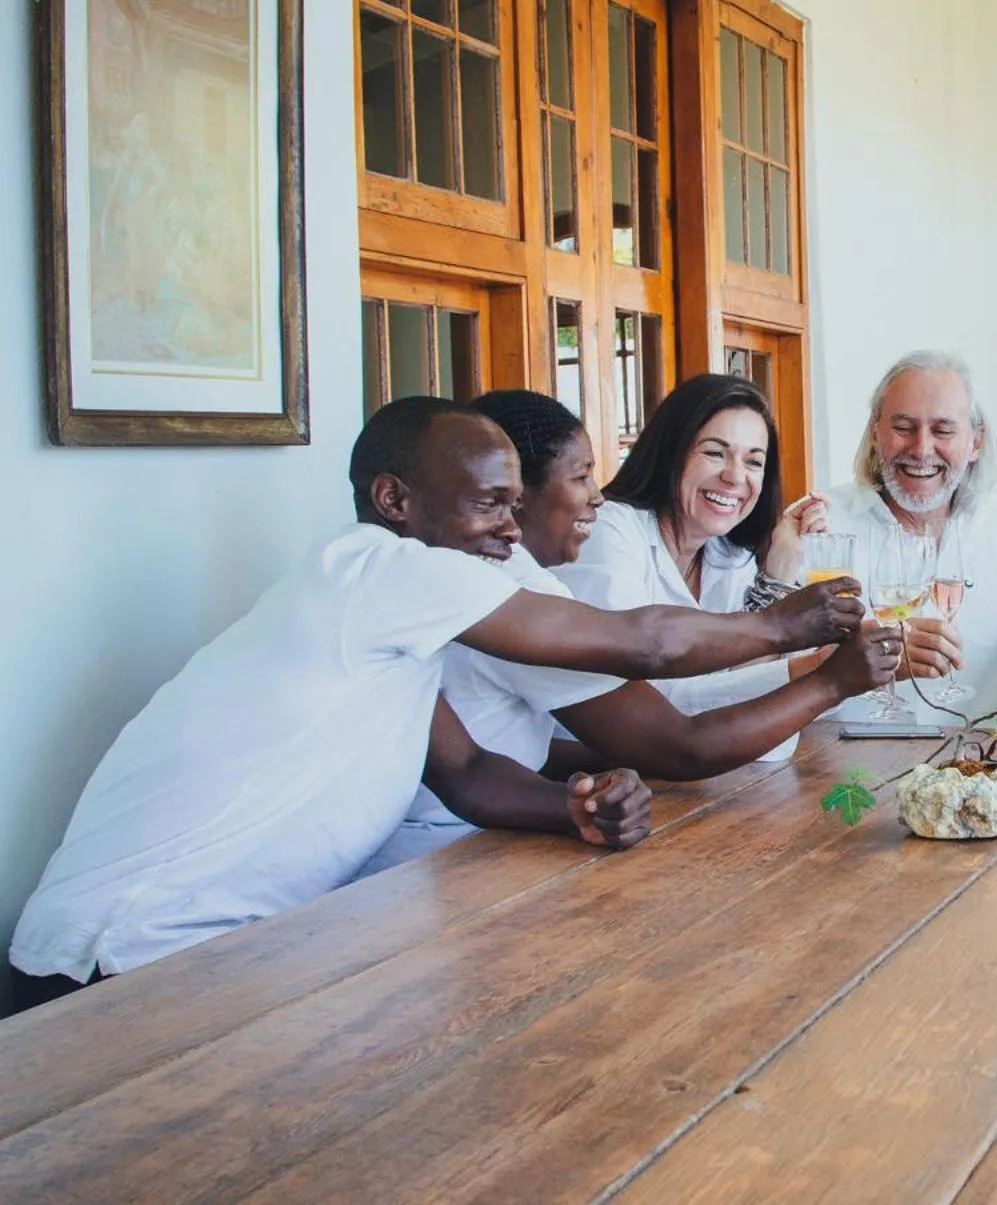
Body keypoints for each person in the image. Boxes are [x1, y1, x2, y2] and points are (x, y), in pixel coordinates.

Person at [6, 398, 862, 1011]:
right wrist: (792, 625)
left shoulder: (397, 611)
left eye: (516, 501)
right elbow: (643, 643)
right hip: (112, 969)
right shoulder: (384, 570)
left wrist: (573, 807)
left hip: (217, 959)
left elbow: (466, 772)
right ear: (395, 501)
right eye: (492, 502)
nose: (509, 524)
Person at [362, 390, 902, 871]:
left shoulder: (487, 576)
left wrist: (582, 796)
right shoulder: (481, 583)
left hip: (486, 842)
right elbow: (664, 697)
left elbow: (484, 761)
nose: (598, 496)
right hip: (442, 864)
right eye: (580, 477)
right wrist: (817, 666)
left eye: (754, 460)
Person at [559, 375, 841, 759]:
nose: (735, 477)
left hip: (687, 781)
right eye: (714, 453)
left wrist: (778, 573)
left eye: (754, 461)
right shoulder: (608, 532)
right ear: (671, 451)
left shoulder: (728, 554)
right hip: (583, 782)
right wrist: (817, 673)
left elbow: (750, 716)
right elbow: (659, 708)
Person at [823, 351, 997, 727]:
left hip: (977, 769)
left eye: (942, 430)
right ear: (876, 432)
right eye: (903, 427)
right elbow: (783, 687)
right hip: (846, 776)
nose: (922, 449)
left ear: (975, 442)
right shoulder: (826, 524)